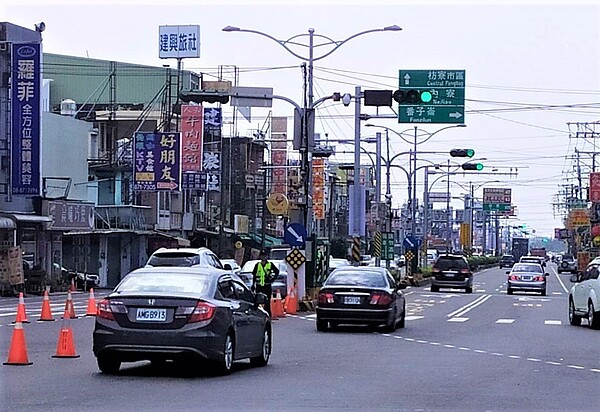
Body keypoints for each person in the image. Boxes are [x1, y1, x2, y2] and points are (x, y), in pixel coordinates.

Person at [252, 249, 280, 316]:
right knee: (257, 301)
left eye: (264, 256)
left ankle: (268, 315)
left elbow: (277, 272)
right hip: (259, 286)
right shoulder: (257, 265)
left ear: (267, 256)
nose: (263, 257)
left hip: (267, 286)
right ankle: (256, 315)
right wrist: (253, 285)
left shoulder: (270, 264)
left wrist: (272, 279)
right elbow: (254, 275)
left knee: (267, 302)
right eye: (262, 256)